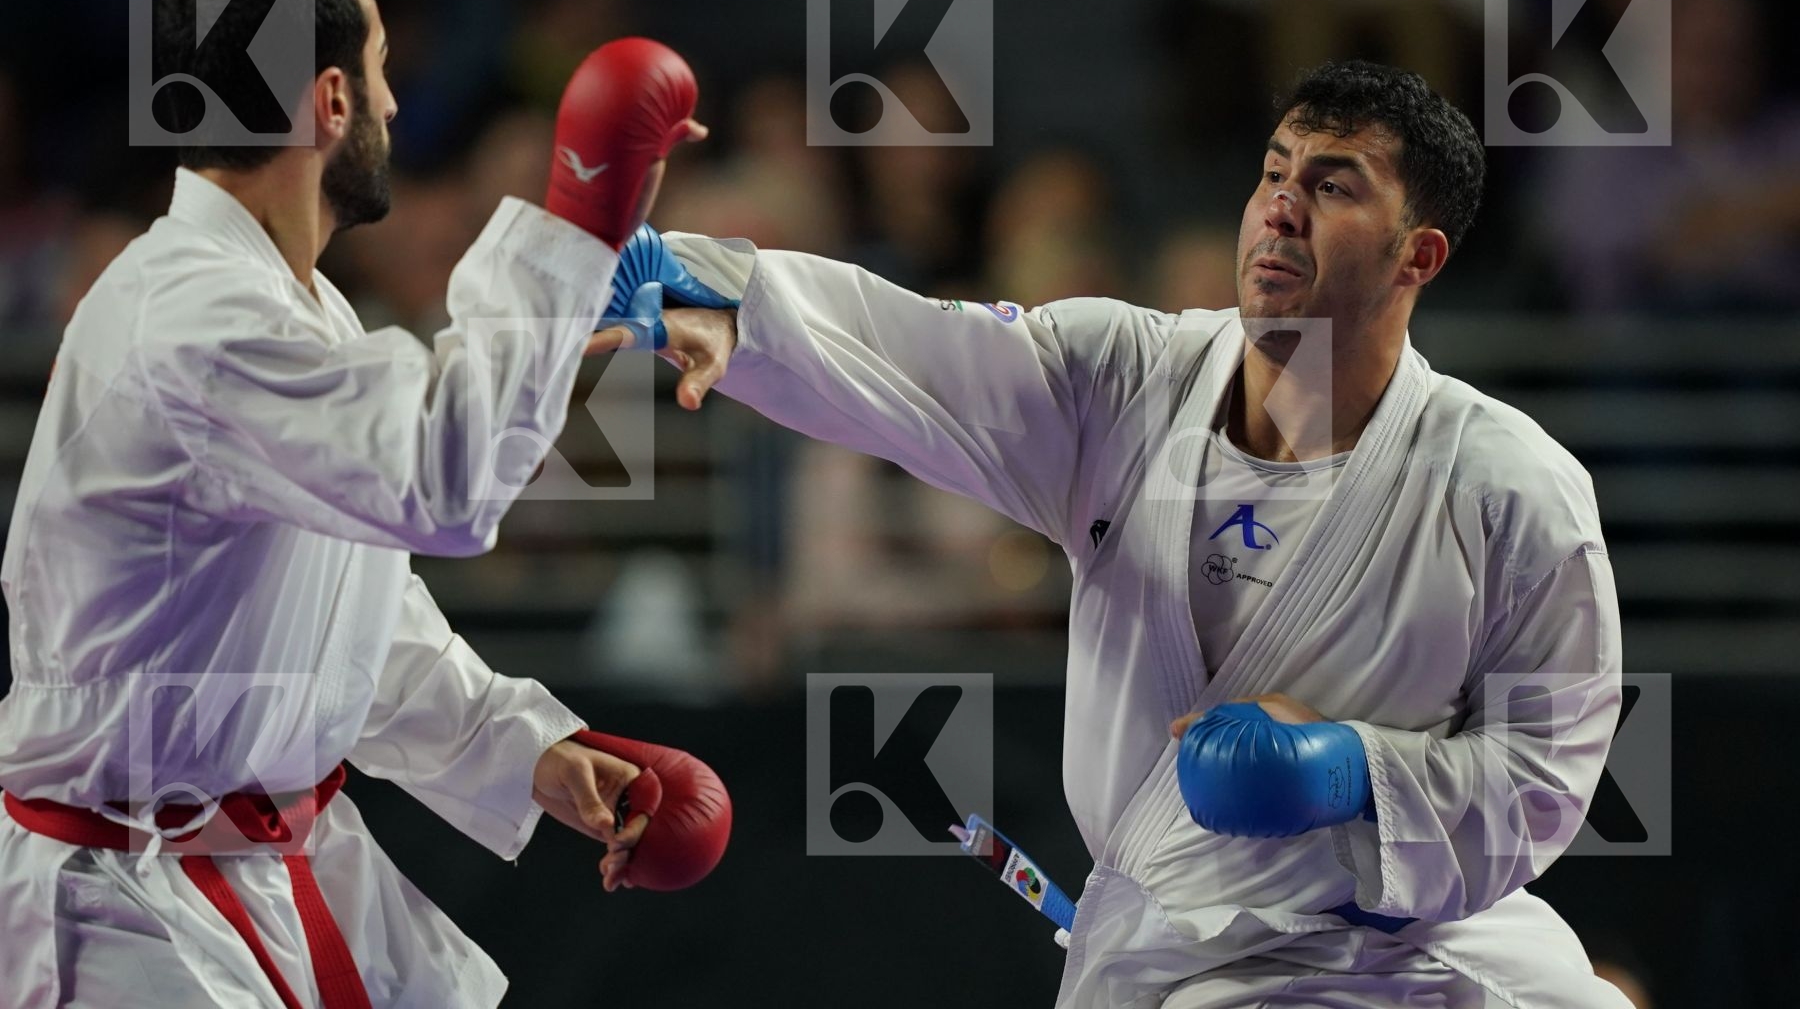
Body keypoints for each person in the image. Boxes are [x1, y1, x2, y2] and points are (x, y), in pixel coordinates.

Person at [598, 60, 1630, 1007]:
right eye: (1275, 171)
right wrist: (711, 293)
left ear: (1420, 255)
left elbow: (1547, 776)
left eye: (1333, 186)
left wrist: (1351, 772)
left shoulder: (1513, 489)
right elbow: (917, 349)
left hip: (1435, 955)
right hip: (1200, 971)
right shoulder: (1126, 380)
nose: (1280, 208)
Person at [0, 0, 728, 1008]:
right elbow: (440, 481)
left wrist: (519, 743)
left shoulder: (294, 308)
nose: (395, 106)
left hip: (268, 872)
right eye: (383, 70)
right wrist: (582, 210)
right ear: (330, 98)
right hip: (128, 914)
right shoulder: (193, 316)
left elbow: (342, 612)